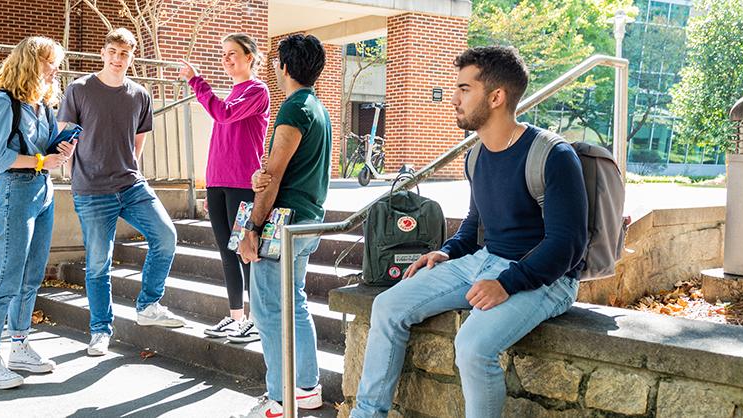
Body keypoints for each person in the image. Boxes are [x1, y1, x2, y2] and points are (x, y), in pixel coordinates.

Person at [349, 46, 588, 418]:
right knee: (387, 306)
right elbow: (476, 224)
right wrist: (448, 251)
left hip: (545, 278)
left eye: (464, 89)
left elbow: (567, 245)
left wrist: (508, 282)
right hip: (482, 263)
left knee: (473, 347)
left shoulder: (552, 155)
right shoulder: (476, 155)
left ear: (496, 97)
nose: (454, 98)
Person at [59, 28, 186, 357]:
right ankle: (100, 330)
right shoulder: (79, 89)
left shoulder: (139, 95)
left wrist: (129, 169)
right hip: (92, 190)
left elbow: (138, 143)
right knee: (99, 264)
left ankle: (148, 305)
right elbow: (64, 140)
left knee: (166, 236)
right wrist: (75, 176)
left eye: (124, 54)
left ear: (131, 58)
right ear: (103, 53)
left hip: (131, 185)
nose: (118, 59)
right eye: (113, 52)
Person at [231, 33, 331, 417]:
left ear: (286, 67)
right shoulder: (316, 107)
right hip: (307, 221)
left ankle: (278, 398)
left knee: (271, 309)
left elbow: (273, 175)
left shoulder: (294, 109)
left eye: (276, 61)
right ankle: (305, 388)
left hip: (282, 223)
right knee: (295, 303)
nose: (274, 66)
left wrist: (251, 228)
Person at [0, 36, 77, 390]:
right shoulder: (4, 101)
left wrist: (58, 151)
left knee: (32, 276)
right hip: (14, 191)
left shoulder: (43, 105)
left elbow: (42, 150)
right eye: (51, 62)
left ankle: (19, 345)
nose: (56, 70)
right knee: (6, 277)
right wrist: (39, 160)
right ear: (32, 62)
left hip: (43, 190)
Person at [178, 33, 270, 344]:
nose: (227, 59)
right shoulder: (231, 93)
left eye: (233, 53)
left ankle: (256, 320)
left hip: (242, 185)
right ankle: (236, 318)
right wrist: (208, 186)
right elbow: (220, 144)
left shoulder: (257, 91)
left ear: (250, 57)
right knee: (226, 252)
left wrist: (196, 82)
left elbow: (223, 115)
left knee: (245, 251)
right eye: (224, 54)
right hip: (218, 184)